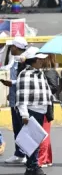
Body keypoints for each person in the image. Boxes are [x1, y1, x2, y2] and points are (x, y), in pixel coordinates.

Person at [14, 47, 52, 175]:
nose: (41, 62)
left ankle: (32, 166)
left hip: (40, 110)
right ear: (34, 60)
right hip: (30, 111)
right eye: (39, 59)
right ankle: (33, 166)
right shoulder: (25, 74)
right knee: (32, 140)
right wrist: (24, 114)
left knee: (36, 139)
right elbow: (21, 96)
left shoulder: (40, 73)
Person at [2, 36, 29, 164]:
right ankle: (19, 153)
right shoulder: (15, 60)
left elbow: (24, 81)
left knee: (23, 129)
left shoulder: (23, 63)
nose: (10, 49)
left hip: (21, 101)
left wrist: (11, 83)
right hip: (14, 99)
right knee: (17, 129)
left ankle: (25, 154)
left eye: (12, 46)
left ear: (16, 48)